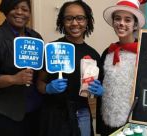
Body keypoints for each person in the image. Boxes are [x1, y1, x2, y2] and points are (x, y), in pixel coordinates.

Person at [37, 1, 104, 136]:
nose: (74, 23)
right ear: (62, 22)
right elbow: (39, 83)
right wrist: (48, 88)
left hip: (82, 113)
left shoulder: (93, 55)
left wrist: (98, 92)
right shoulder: (52, 49)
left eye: (80, 18)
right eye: (69, 18)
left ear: (87, 21)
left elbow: (95, 90)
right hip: (54, 114)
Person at [95, 0, 146, 135]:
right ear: (113, 23)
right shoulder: (108, 52)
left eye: (127, 20)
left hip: (134, 122)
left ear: (135, 25)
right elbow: (100, 83)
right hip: (108, 120)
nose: (121, 23)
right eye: (117, 19)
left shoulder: (143, 52)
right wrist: (98, 90)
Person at [0, 0, 43, 136]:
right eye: (14, 8)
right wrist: (14, 79)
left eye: (24, 9)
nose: (19, 12)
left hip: (36, 110)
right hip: (7, 114)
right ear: (6, 10)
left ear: (29, 13)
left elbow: (41, 70)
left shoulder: (35, 37)